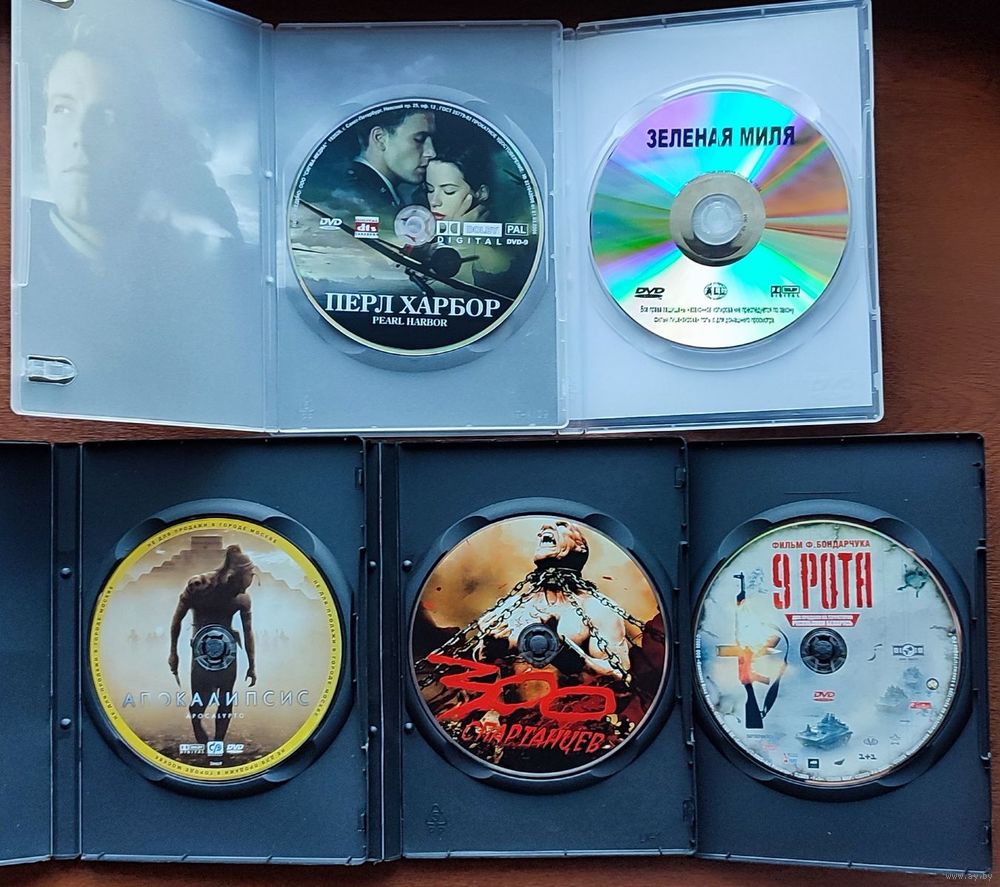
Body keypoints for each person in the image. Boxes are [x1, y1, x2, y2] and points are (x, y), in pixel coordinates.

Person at [474, 520, 629, 684]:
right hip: (507, 699)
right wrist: (488, 651)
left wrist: (568, 656)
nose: (544, 528)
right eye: (541, 531)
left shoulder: (597, 609)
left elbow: (621, 676)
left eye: (562, 525)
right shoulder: (510, 606)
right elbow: (476, 675)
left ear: (580, 548)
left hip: (570, 699)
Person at [168, 545, 257, 750]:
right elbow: (177, 619)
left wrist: (252, 665)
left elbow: (248, 632)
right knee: (200, 699)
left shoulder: (242, 598)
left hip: (228, 653)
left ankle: (217, 744)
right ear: (234, 576)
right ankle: (199, 732)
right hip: (201, 653)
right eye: (249, 576)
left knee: (226, 699)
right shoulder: (199, 586)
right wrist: (173, 653)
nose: (251, 581)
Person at [333, 108, 437, 218]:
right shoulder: (356, 195)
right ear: (380, 138)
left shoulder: (360, 187)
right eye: (419, 139)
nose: (431, 152)